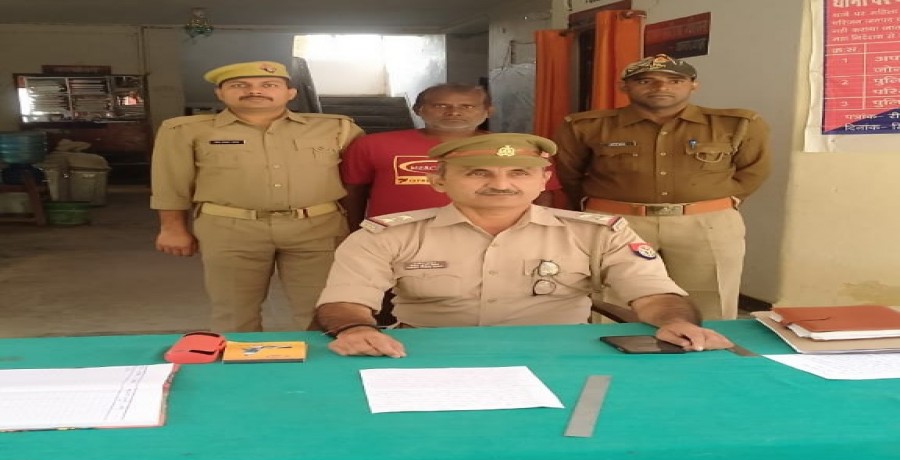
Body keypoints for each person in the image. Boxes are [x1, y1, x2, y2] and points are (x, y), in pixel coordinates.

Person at [314, 132, 735, 357]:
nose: (501, 184)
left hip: (563, 354)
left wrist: (675, 321)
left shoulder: (599, 232)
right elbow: (345, 302)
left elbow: (654, 293)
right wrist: (355, 329)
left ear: (543, 180)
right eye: (478, 173)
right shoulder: (387, 234)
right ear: (439, 181)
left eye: (519, 173)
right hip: (427, 352)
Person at [151, 61, 364, 333]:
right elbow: (171, 181)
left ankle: (318, 360)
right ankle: (240, 360)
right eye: (239, 85)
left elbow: (359, 178)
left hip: (317, 228)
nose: (255, 91)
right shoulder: (184, 131)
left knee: (323, 308)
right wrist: (172, 228)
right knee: (234, 312)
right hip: (231, 229)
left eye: (269, 85)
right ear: (219, 93)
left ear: (290, 93)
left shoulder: (336, 128)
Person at [553, 54, 771, 320]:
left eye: (674, 81)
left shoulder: (735, 125)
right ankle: (614, 348)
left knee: (711, 301)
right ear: (624, 87)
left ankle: (707, 346)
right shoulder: (587, 126)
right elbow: (569, 174)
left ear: (694, 85)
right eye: (645, 81)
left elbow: (753, 172)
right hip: (618, 222)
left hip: (706, 223)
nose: (661, 87)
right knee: (613, 300)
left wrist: (712, 203)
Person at [340, 83, 557, 229]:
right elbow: (353, 192)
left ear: (488, 111)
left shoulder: (516, 148)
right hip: (394, 235)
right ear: (418, 109)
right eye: (441, 105)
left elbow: (543, 192)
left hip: (490, 235)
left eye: (467, 106)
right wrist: (356, 230)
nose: (454, 112)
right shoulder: (372, 145)